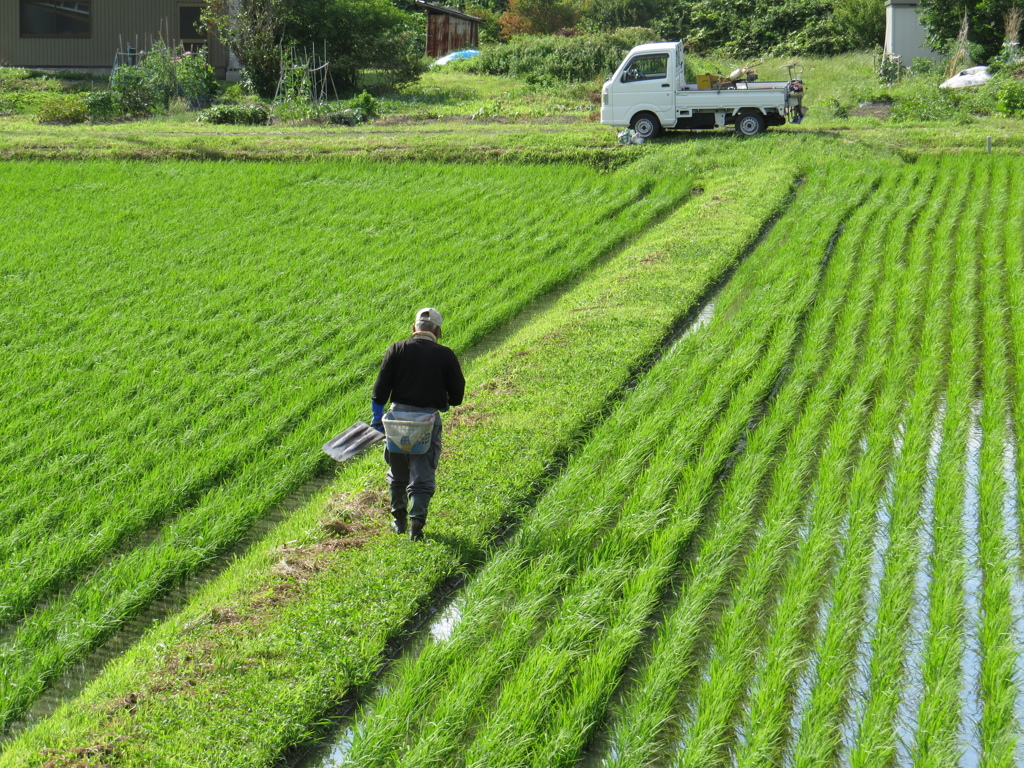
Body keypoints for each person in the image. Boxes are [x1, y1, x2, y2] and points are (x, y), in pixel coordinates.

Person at [370, 307, 465, 541]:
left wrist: (376, 418)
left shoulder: (397, 348)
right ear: (437, 331)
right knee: (422, 473)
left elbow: (380, 388)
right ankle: (416, 527)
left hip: (397, 421)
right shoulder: (445, 355)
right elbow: (457, 396)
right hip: (426, 422)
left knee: (397, 471)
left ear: (414, 328)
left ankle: (398, 520)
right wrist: (444, 402)